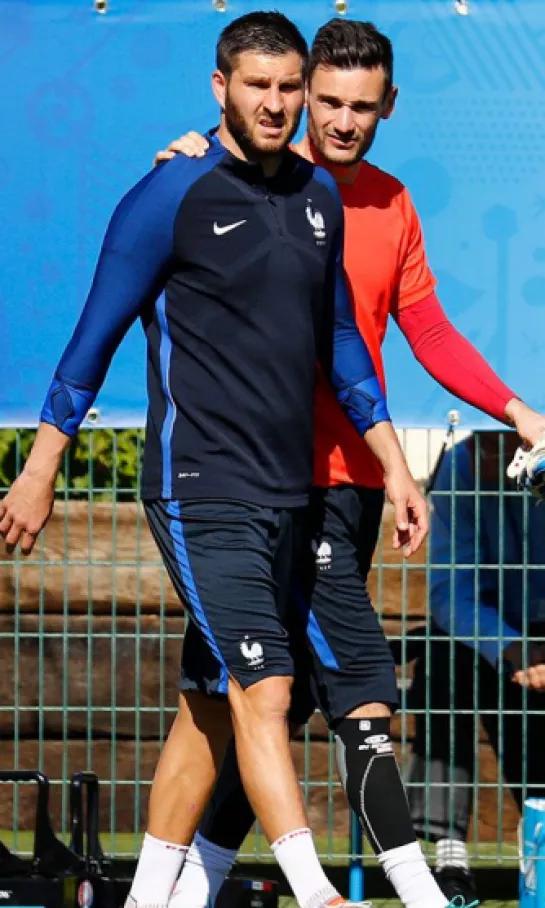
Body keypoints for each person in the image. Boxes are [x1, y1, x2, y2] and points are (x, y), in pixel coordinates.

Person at [0, 12, 427, 908]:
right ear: (219, 87)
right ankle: (317, 894)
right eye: (255, 85)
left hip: (289, 495)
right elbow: (91, 340)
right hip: (199, 490)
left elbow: (342, 345)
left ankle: (156, 898)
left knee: (206, 706)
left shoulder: (315, 200)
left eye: (286, 87)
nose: (274, 104)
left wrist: (392, 463)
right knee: (265, 688)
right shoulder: (168, 194)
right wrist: (39, 470)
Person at [152, 16, 545, 908]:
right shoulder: (231, 184)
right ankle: (406, 888)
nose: (337, 120)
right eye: (321, 99)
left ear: (387, 107)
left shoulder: (392, 203)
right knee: (310, 693)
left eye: (359, 106)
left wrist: (514, 408)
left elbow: (429, 330)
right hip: (257, 484)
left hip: (354, 486)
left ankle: (184, 892)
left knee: (258, 706)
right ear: (291, 96)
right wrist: (182, 160)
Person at [407, 431, 545, 904]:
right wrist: (508, 646)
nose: (491, 455)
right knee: (443, 662)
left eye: (507, 445)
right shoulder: (458, 468)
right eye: (484, 443)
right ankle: (450, 855)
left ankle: (539, 841)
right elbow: (449, 590)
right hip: (483, 627)